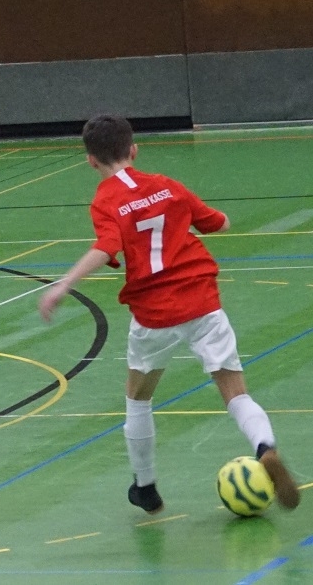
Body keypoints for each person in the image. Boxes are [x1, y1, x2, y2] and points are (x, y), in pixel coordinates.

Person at [38, 114, 300, 514]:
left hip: (154, 314)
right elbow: (220, 224)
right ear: (134, 150)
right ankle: (265, 448)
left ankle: (146, 488)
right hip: (202, 302)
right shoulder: (166, 185)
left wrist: (63, 285)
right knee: (235, 393)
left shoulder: (106, 200)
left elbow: (107, 246)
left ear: (91, 161)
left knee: (138, 397)